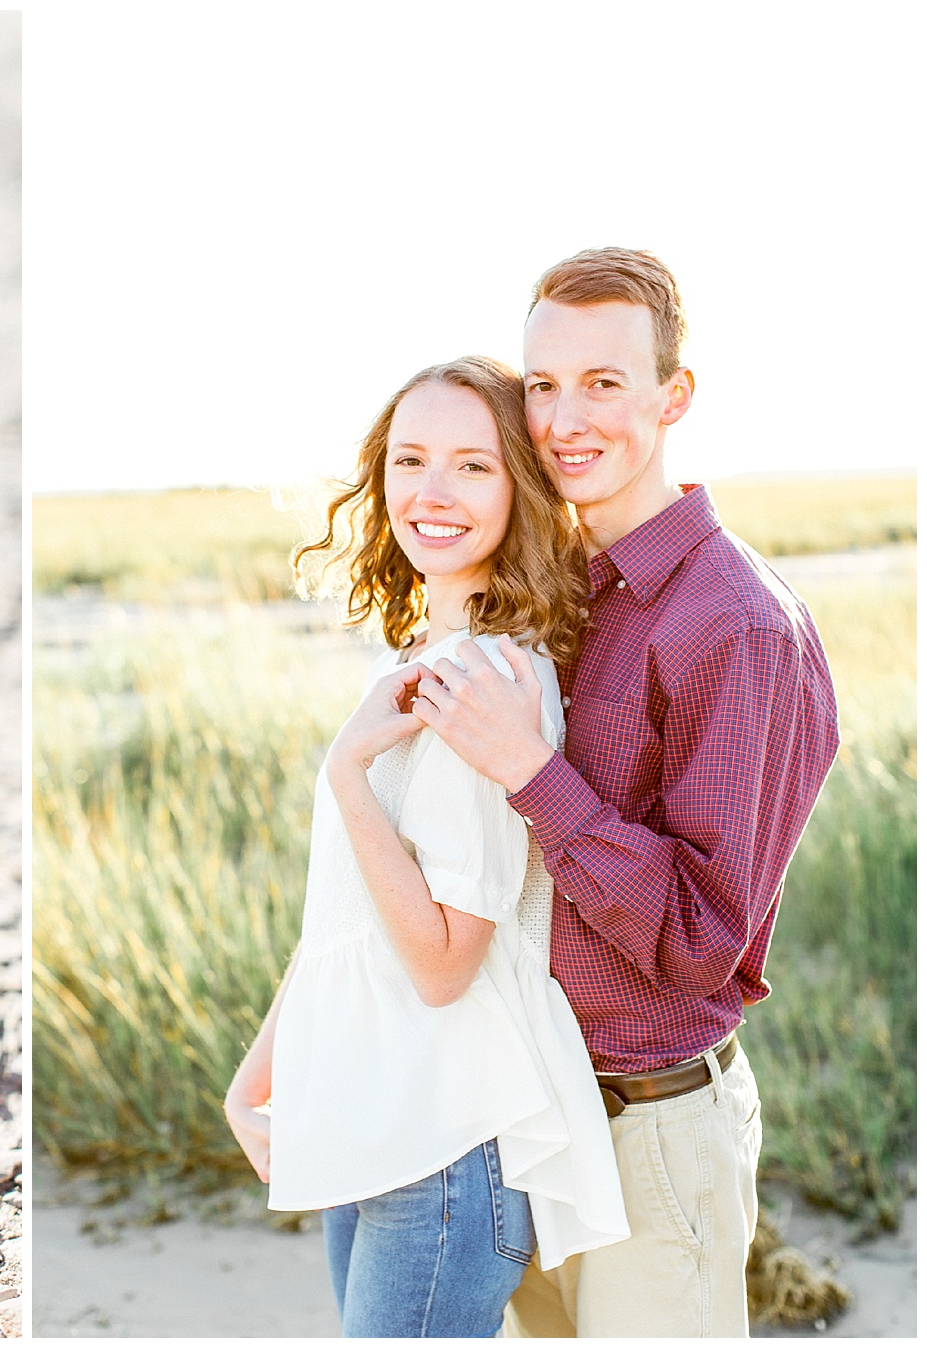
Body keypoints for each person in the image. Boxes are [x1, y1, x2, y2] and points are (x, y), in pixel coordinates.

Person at [407, 249, 839, 1337]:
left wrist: (532, 773)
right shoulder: (558, 592)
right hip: (526, 1118)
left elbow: (700, 936)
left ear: (673, 395)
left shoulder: (736, 626)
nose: (565, 420)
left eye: (604, 382)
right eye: (543, 385)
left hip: (651, 1129)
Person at [224, 355, 630, 1338]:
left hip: (444, 1148)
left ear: (520, 487)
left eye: (472, 466)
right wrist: (261, 1073)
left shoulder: (487, 681)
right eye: (409, 460)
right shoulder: (416, 660)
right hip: (369, 1118)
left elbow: (446, 962)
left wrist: (346, 775)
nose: (431, 491)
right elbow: (351, 915)